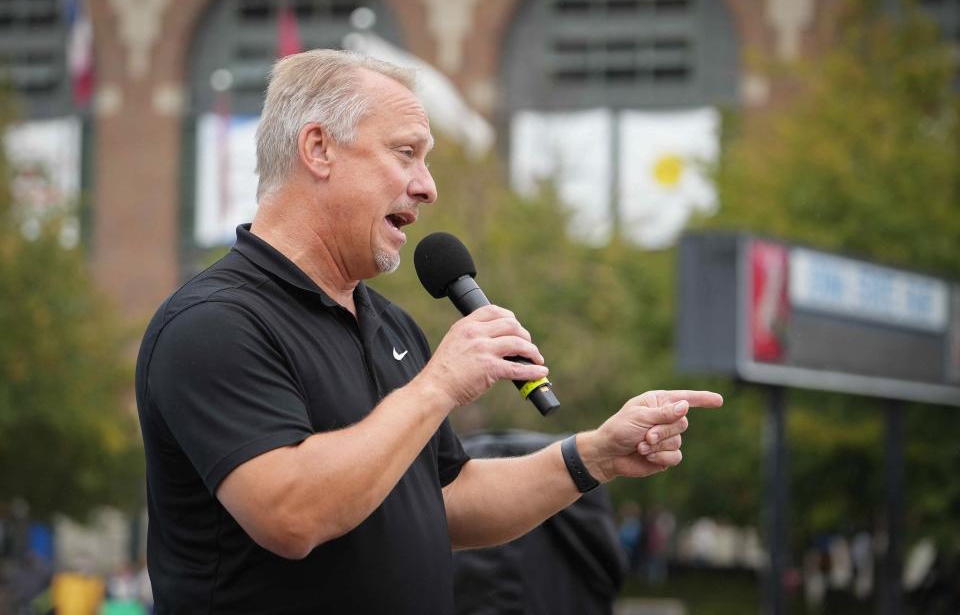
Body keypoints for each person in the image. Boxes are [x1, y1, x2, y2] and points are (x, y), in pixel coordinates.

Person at [135, 49, 723, 615]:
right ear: (318, 148)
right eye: (406, 153)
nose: (427, 186)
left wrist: (596, 455)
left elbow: (447, 501)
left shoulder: (390, 324)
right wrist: (437, 385)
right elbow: (290, 513)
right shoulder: (214, 323)